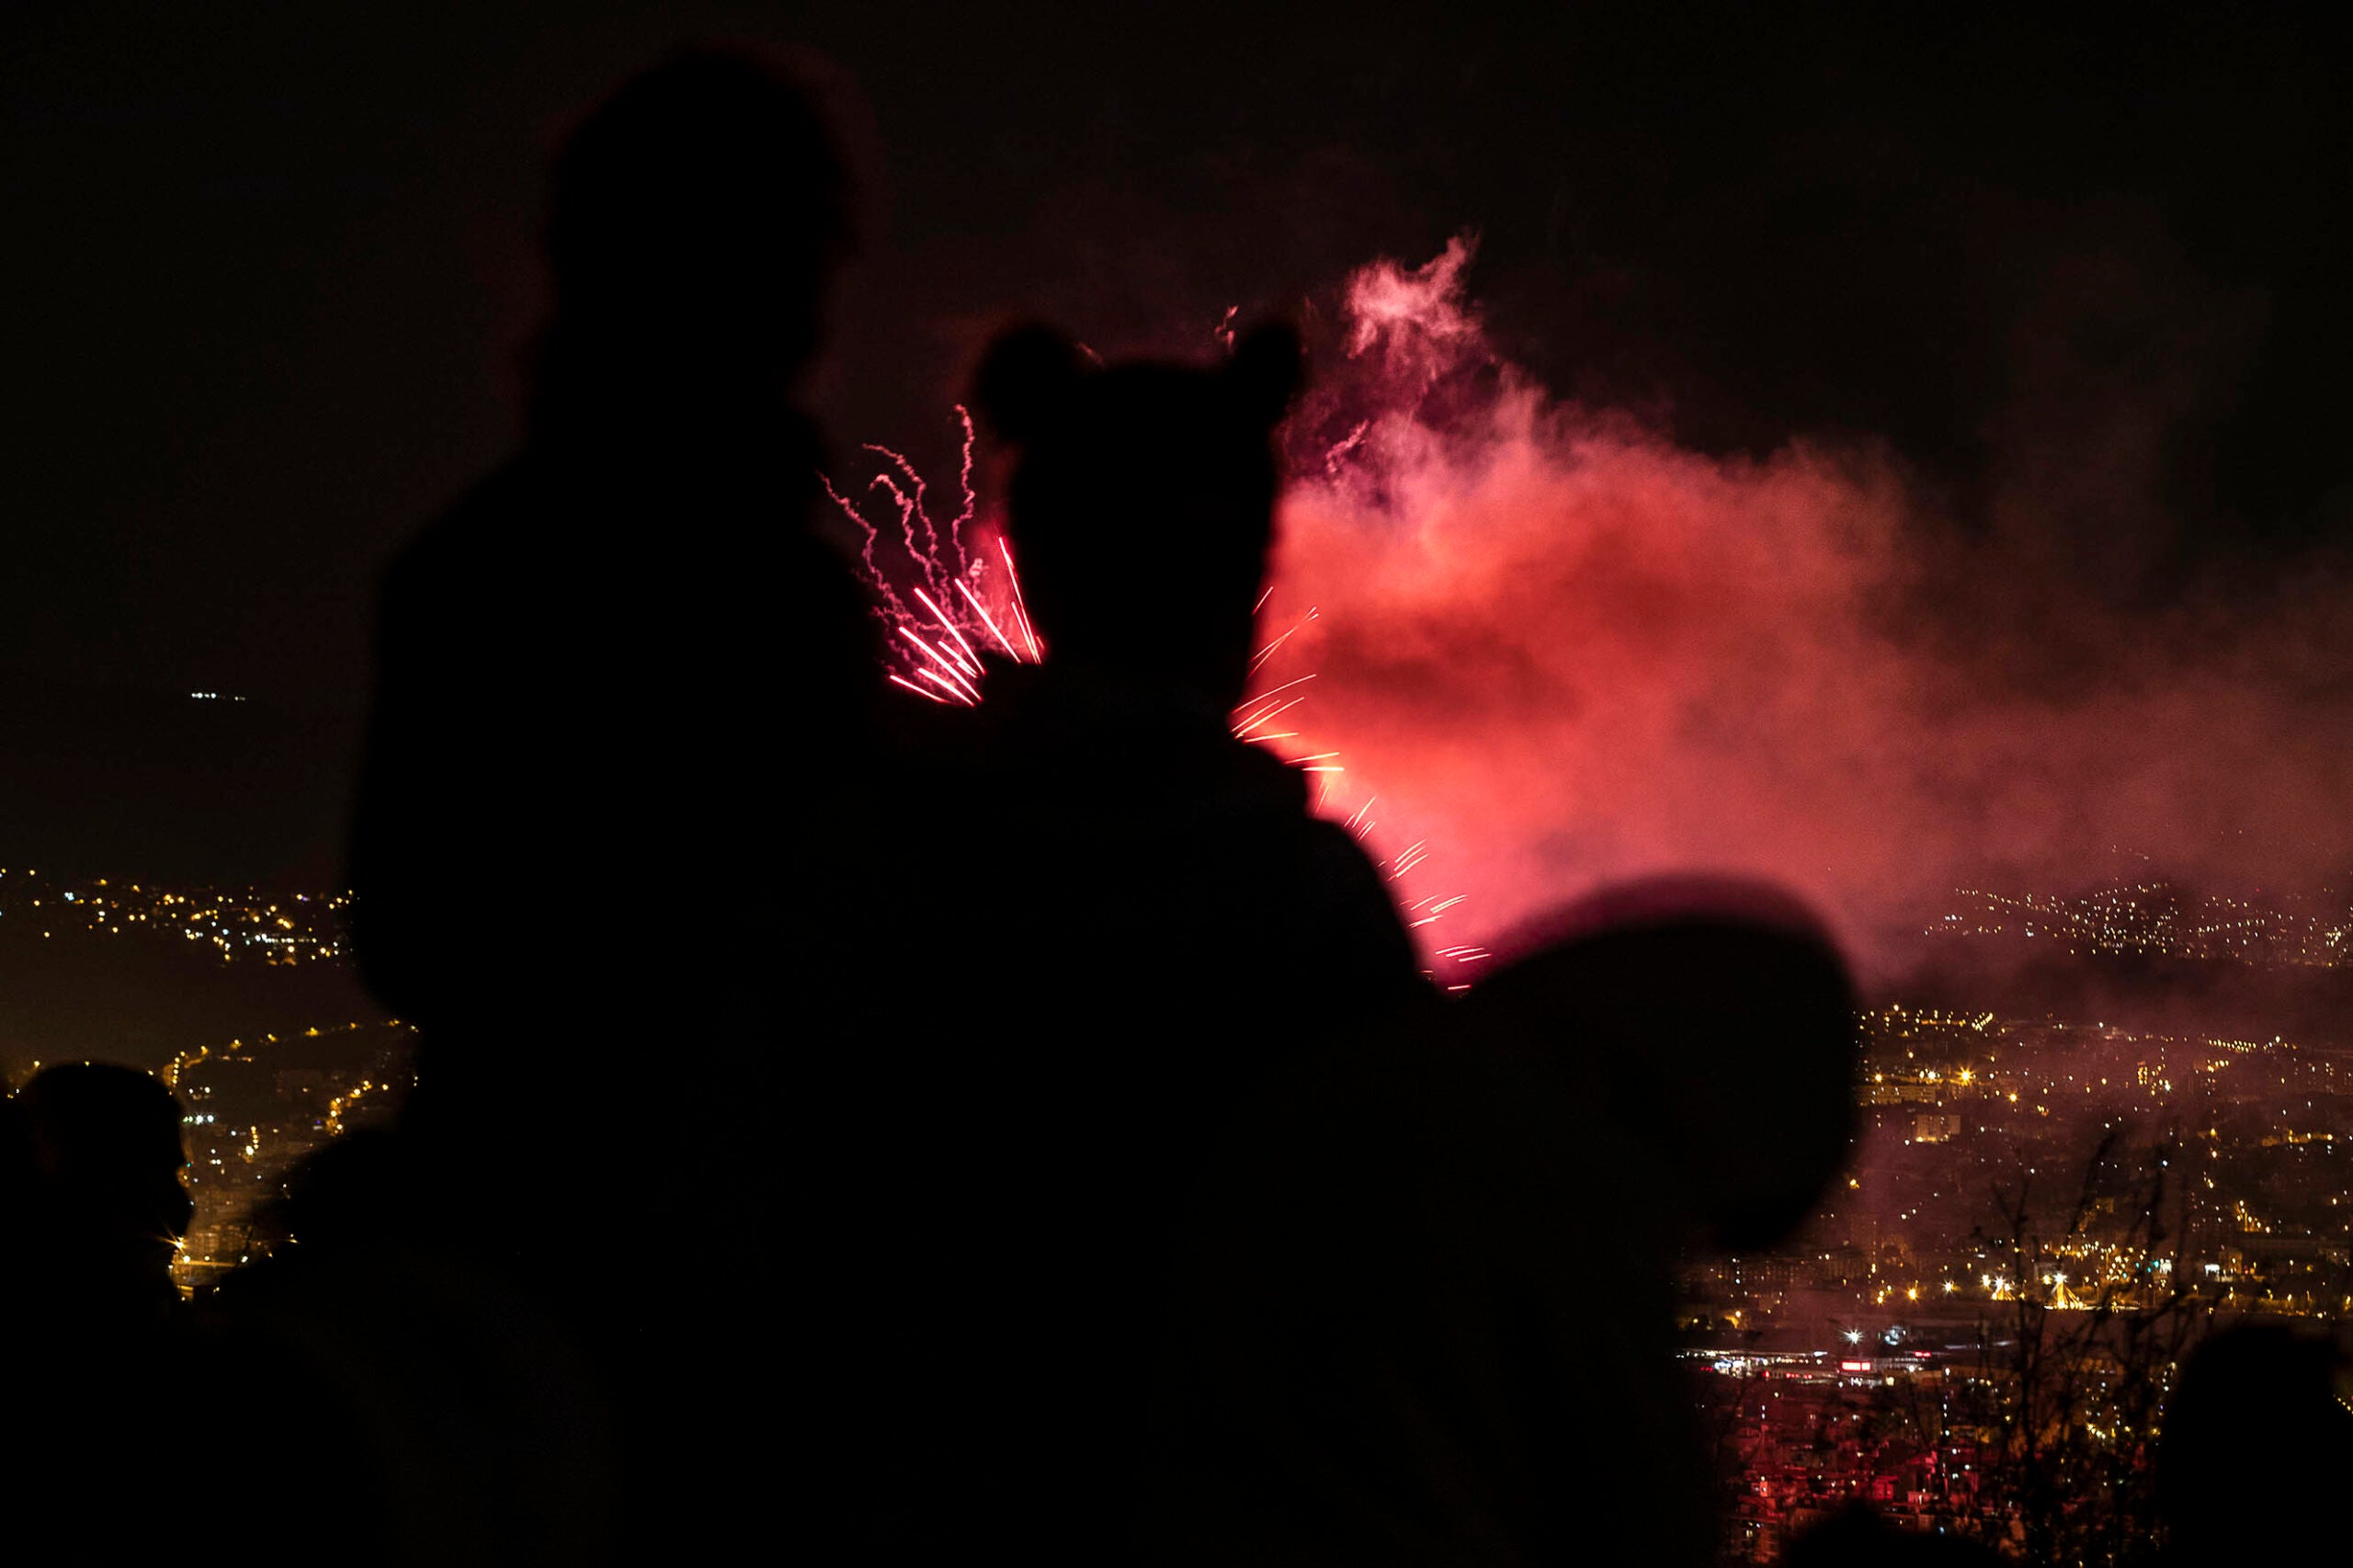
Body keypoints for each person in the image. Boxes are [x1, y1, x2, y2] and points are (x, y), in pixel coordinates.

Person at [340, 46, 872, 1556]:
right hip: (742, 1336)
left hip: (498, 1287)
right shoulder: (784, 613)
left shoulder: (465, 574)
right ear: (789, 289)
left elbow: (411, 933)